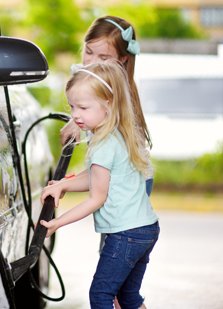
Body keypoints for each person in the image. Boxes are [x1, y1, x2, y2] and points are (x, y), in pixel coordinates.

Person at [40, 62, 160, 309]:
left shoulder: (103, 143)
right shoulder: (114, 134)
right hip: (145, 229)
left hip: (126, 234)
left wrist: (56, 223)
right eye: (72, 106)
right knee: (129, 298)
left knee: (101, 295)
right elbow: (97, 175)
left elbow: (97, 197)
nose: (75, 114)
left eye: (83, 107)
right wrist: (63, 184)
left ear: (108, 104)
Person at [61, 15, 154, 197]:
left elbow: (106, 163)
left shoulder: (117, 94)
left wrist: (67, 183)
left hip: (131, 182)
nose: (92, 62)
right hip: (115, 175)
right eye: (88, 51)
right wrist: (75, 120)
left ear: (123, 59)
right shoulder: (94, 81)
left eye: (104, 57)